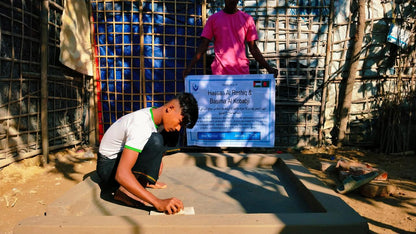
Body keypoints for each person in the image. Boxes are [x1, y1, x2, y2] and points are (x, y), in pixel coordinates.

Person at [96, 93, 198, 214]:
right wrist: (157, 202)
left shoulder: (156, 115)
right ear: (170, 108)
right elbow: (121, 174)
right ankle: (124, 191)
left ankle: (143, 180)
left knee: (169, 134)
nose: (178, 128)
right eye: (180, 122)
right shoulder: (141, 125)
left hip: (119, 159)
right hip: (109, 168)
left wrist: (154, 165)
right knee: (156, 140)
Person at [183, 0, 278, 77]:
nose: (232, 1)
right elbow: (204, 45)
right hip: (220, 72)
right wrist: (189, 67)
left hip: (241, 73)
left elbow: (253, 48)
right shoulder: (213, 19)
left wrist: (268, 68)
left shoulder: (247, 19)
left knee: (242, 100)